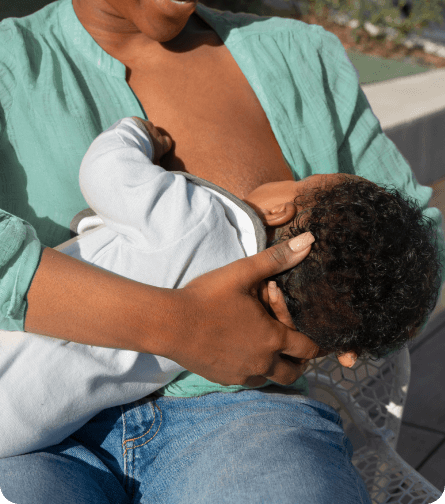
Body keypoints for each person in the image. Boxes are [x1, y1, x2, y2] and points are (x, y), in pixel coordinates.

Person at [0, 0, 443, 502]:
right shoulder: (10, 66)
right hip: (33, 431)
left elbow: (412, 237)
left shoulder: (300, 59)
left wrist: (338, 313)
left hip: (247, 418)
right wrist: (179, 325)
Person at [0, 115, 440, 462]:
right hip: (24, 429)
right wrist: (349, 336)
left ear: (276, 209)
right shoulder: (244, 352)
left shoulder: (197, 218)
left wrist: (133, 133)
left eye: (304, 177)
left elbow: (104, 172)